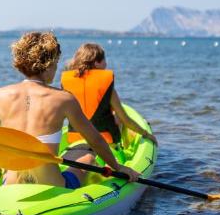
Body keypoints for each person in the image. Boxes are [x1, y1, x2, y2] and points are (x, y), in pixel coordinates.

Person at [0, 32, 138, 188]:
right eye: (55, 62)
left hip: (11, 184)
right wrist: (118, 167)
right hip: (52, 185)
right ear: (48, 65)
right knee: (88, 158)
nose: (56, 67)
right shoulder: (63, 99)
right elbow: (95, 140)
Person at [60, 43, 156, 184]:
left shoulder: (67, 82)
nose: (106, 64)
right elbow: (125, 119)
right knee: (118, 120)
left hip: (75, 145)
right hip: (105, 148)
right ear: (97, 62)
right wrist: (146, 134)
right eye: (104, 60)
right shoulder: (105, 84)